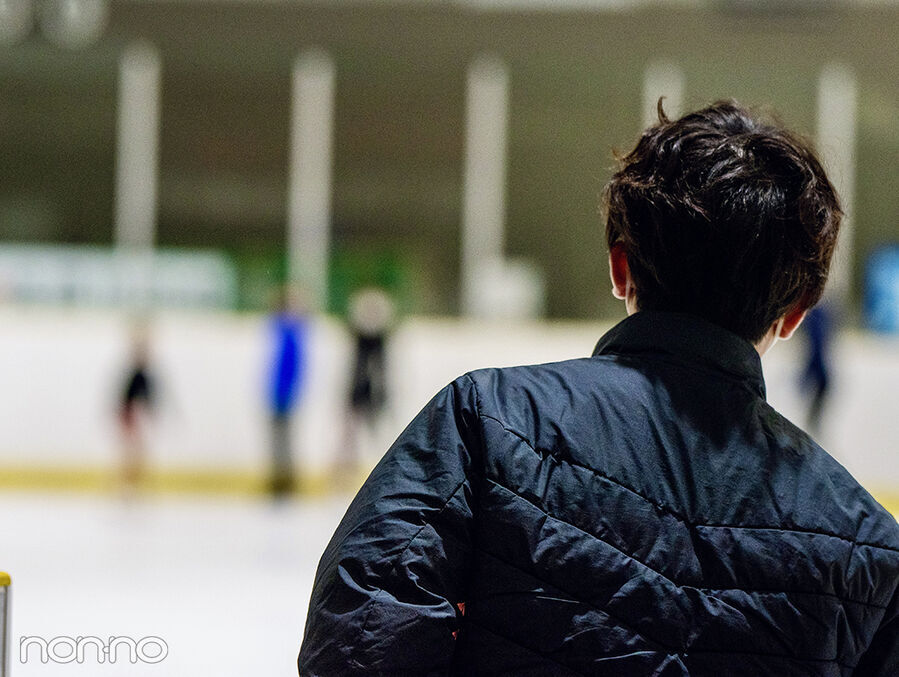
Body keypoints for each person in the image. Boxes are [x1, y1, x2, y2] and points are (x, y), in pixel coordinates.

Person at [298, 101, 899, 675]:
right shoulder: (871, 549)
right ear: (795, 313)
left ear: (620, 267)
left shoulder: (485, 422)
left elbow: (360, 639)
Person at [338, 285, 395, 477]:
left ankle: (384, 469)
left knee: (378, 431)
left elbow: (381, 370)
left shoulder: (379, 342)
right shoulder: (360, 341)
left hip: (373, 391)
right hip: (358, 390)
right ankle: (346, 469)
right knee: (350, 433)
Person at [266, 286, 307, 498]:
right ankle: (281, 480)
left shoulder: (290, 334)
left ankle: (284, 482)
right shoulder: (285, 331)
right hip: (279, 393)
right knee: (280, 439)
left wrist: (286, 393)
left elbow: (290, 368)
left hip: (283, 395)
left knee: (283, 439)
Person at [118, 326, 155, 489]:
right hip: (129, 416)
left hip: (131, 416)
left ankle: (131, 483)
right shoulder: (137, 375)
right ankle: (128, 484)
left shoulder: (140, 375)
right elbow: (131, 400)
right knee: (134, 451)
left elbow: (144, 399)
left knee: (135, 451)